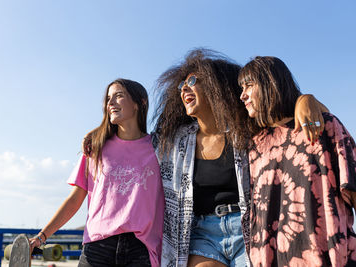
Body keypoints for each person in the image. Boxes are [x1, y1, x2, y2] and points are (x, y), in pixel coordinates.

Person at [152, 49, 327, 267]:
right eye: (181, 86)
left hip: (251, 228)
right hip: (202, 235)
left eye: (193, 81)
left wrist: (304, 100)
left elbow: (290, 116)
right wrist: (100, 134)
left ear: (217, 86)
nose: (184, 88)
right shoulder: (176, 141)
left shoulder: (247, 129)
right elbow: (131, 141)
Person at [31, 78, 165, 267]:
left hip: (141, 249)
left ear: (140, 102)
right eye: (108, 98)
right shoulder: (95, 148)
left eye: (118, 96)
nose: (110, 103)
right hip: (97, 247)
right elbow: (75, 199)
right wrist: (41, 236)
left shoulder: (161, 149)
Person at [239, 56, 356, 266]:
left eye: (249, 85)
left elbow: (353, 189)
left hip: (328, 258)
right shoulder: (252, 147)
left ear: (270, 83)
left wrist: (305, 98)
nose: (243, 95)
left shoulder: (324, 126)